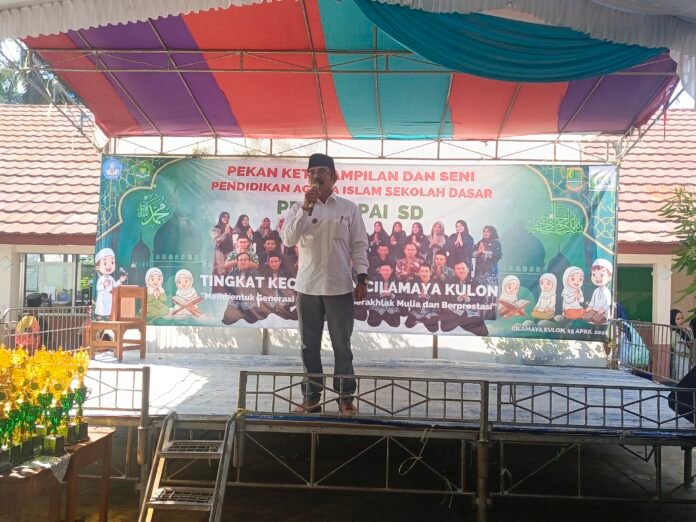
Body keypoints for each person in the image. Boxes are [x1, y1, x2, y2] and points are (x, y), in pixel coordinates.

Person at [280, 153, 368, 416]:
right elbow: (288, 240)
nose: (316, 176)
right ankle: (311, 398)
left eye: (322, 171)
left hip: (339, 287)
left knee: (342, 346)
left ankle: (345, 399)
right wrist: (306, 208)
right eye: (312, 172)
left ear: (334, 177)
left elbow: (359, 245)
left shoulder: (349, 208)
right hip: (308, 287)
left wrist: (362, 278)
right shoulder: (297, 208)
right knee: (309, 347)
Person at [94, 247, 127, 319]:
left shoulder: (111, 278)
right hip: (102, 298)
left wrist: (120, 280)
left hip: (109, 297)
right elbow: (98, 288)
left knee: (108, 310)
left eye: (112, 262)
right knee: (101, 310)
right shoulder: (101, 279)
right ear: (98, 267)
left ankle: (108, 318)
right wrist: (104, 285)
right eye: (105, 263)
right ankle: (99, 319)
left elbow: (114, 285)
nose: (109, 265)